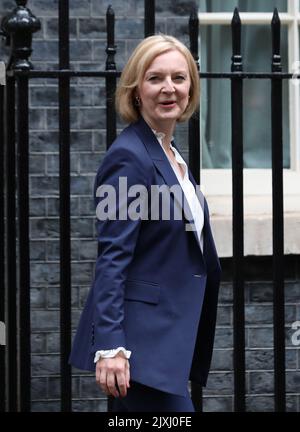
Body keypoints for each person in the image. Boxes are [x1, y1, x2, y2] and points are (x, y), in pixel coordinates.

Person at [69, 34, 221, 412]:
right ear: (136, 91)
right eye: (155, 78)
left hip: (168, 344)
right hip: (137, 352)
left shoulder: (170, 154)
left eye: (179, 78)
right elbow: (112, 258)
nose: (169, 88)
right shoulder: (128, 158)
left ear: (191, 88)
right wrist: (110, 347)